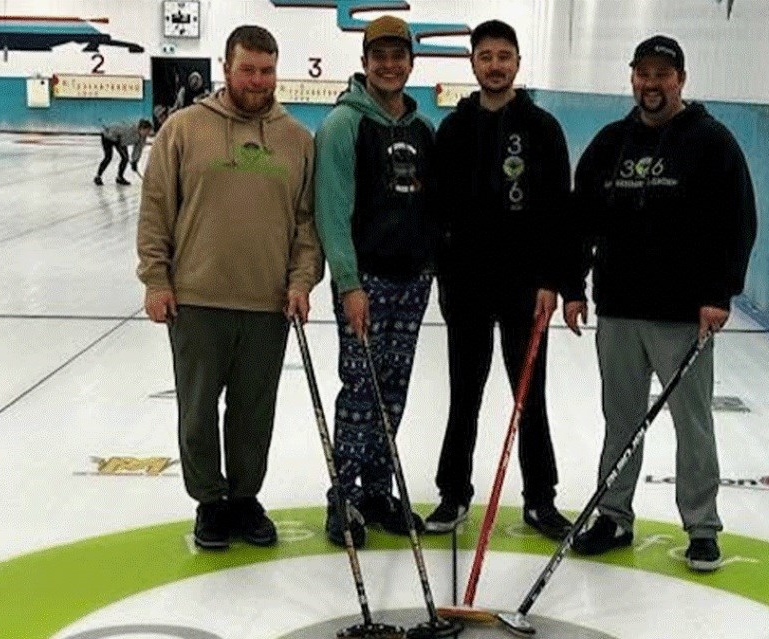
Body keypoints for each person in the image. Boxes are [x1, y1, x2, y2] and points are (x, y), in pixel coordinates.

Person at [563, 35, 757, 571]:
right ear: (632, 78)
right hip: (620, 309)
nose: (651, 84)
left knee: (692, 422)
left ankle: (701, 526)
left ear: (680, 80)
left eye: (662, 75)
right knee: (620, 419)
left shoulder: (712, 143)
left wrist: (720, 293)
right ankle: (614, 515)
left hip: (682, 315)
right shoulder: (610, 143)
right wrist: (574, 287)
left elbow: (737, 222)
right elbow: (582, 221)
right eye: (642, 73)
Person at [136, 25, 323, 550]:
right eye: (248, 69)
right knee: (197, 410)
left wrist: (302, 280)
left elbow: (307, 224)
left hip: (268, 303)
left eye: (267, 70)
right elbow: (155, 210)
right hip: (196, 298)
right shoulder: (184, 129)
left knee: (253, 411)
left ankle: (243, 499)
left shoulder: (297, 140)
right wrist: (156, 278)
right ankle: (210, 503)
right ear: (226, 68)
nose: (258, 81)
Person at [423, 20, 573, 541]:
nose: (494, 65)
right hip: (466, 287)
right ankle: (452, 494)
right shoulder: (454, 129)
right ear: (472, 63)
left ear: (517, 63)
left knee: (530, 396)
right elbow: (437, 207)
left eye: (503, 56)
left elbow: (560, 212)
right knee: (464, 393)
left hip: (525, 288)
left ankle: (541, 500)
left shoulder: (543, 129)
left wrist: (553, 280)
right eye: (485, 56)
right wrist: (444, 272)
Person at [313, 15, 436, 548]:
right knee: (360, 392)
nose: (390, 65)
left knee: (393, 393)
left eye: (398, 56)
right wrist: (348, 284)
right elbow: (332, 210)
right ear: (365, 63)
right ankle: (342, 497)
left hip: (413, 282)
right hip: (367, 281)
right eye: (379, 56)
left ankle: (377, 491)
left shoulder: (421, 128)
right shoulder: (344, 125)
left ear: (410, 62)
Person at [94, 119, 151, 185]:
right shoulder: (129, 129)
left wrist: (135, 161)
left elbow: (138, 149)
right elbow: (115, 127)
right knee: (108, 157)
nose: (148, 133)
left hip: (121, 141)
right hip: (108, 137)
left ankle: (119, 178)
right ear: (141, 129)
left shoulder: (142, 138)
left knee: (125, 158)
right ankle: (98, 176)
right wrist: (115, 138)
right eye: (147, 131)